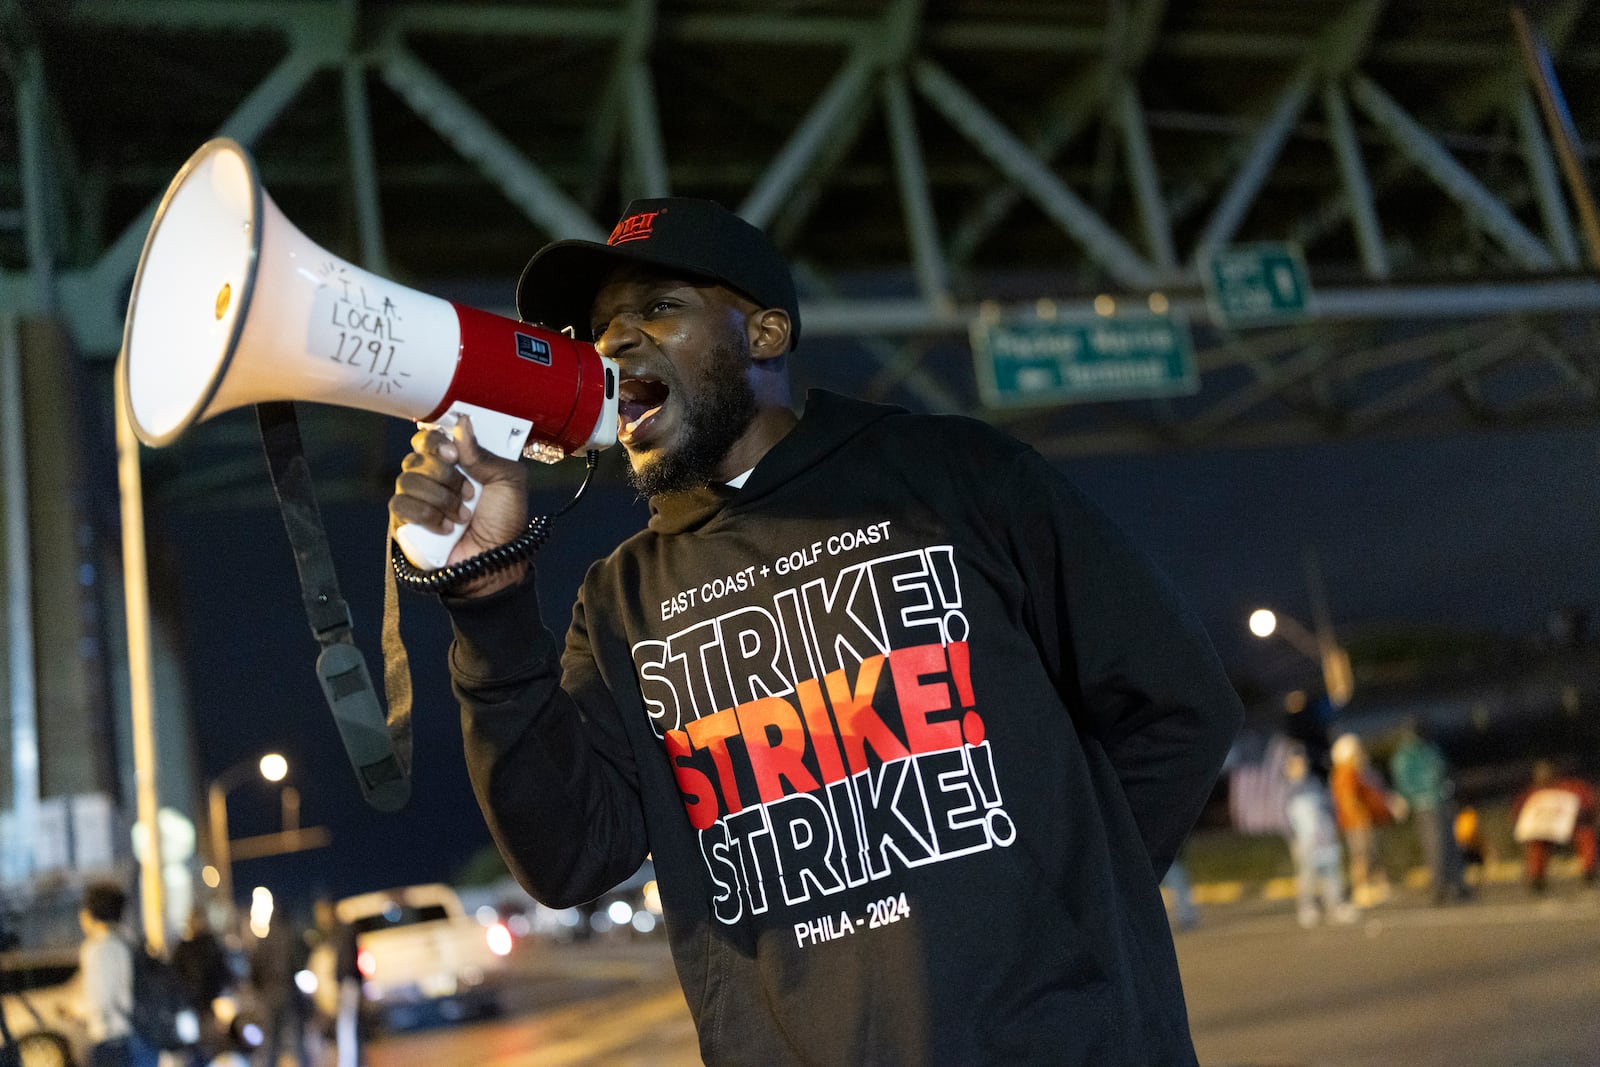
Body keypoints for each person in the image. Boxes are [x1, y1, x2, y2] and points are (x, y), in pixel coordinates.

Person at [388, 197, 1245, 1065]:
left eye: (659, 307)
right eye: (602, 326)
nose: (614, 343)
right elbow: (567, 858)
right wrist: (490, 601)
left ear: (763, 334)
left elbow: (1179, 702)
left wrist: (1072, 922)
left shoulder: (955, 474)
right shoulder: (619, 601)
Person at [1387, 720, 1471, 904]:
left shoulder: (1429, 748)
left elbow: (1443, 769)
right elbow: (1404, 780)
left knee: (1451, 844)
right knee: (1435, 846)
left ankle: (1456, 884)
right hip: (1425, 804)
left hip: (1441, 800)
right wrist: (1415, 797)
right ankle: (1439, 887)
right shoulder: (1406, 754)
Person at [75, 882, 156, 1067]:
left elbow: (99, 1000)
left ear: (90, 914)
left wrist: (77, 1011)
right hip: (143, 1036)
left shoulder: (98, 948)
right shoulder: (130, 941)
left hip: (114, 1040)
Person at [1281, 745, 1357, 928]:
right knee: (1307, 875)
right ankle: (1307, 908)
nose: (1300, 767)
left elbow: (1327, 808)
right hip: (1304, 841)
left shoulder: (1314, 783)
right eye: (1296, 764)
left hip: (1323, 838)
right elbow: (1285, 819)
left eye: (1302, 763)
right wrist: (1294, 840)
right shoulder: (1286, 790)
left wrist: (1330, 830)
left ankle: (1335, 906)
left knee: (1331, 873)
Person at [1329, 733, 1402, 907]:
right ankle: (1362, 889)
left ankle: (1377, 887)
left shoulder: (1359, 771)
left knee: (1373, 854)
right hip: (1357, 824)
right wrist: (1360, 816)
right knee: (1362, 857)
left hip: (1368, 821)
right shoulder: (1346, 773)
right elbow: (1349, 800)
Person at [1511, 759, 1598, 893]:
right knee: (1536, 845)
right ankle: (1536, 877)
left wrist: (1580, 814)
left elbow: (1588, 804)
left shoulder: (1570, 787)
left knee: (1585, 835)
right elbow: (1519, 813)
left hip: (1570, 827)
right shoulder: (1532, 793)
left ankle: (1589, 870)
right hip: (1544, 832)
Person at [169, 909, 230, 1063]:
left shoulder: (209, 946)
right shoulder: (185, 948)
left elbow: (221, 973)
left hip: (202, 1005)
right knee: (194, 1048)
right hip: (191, 1006)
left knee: (204, 1047)